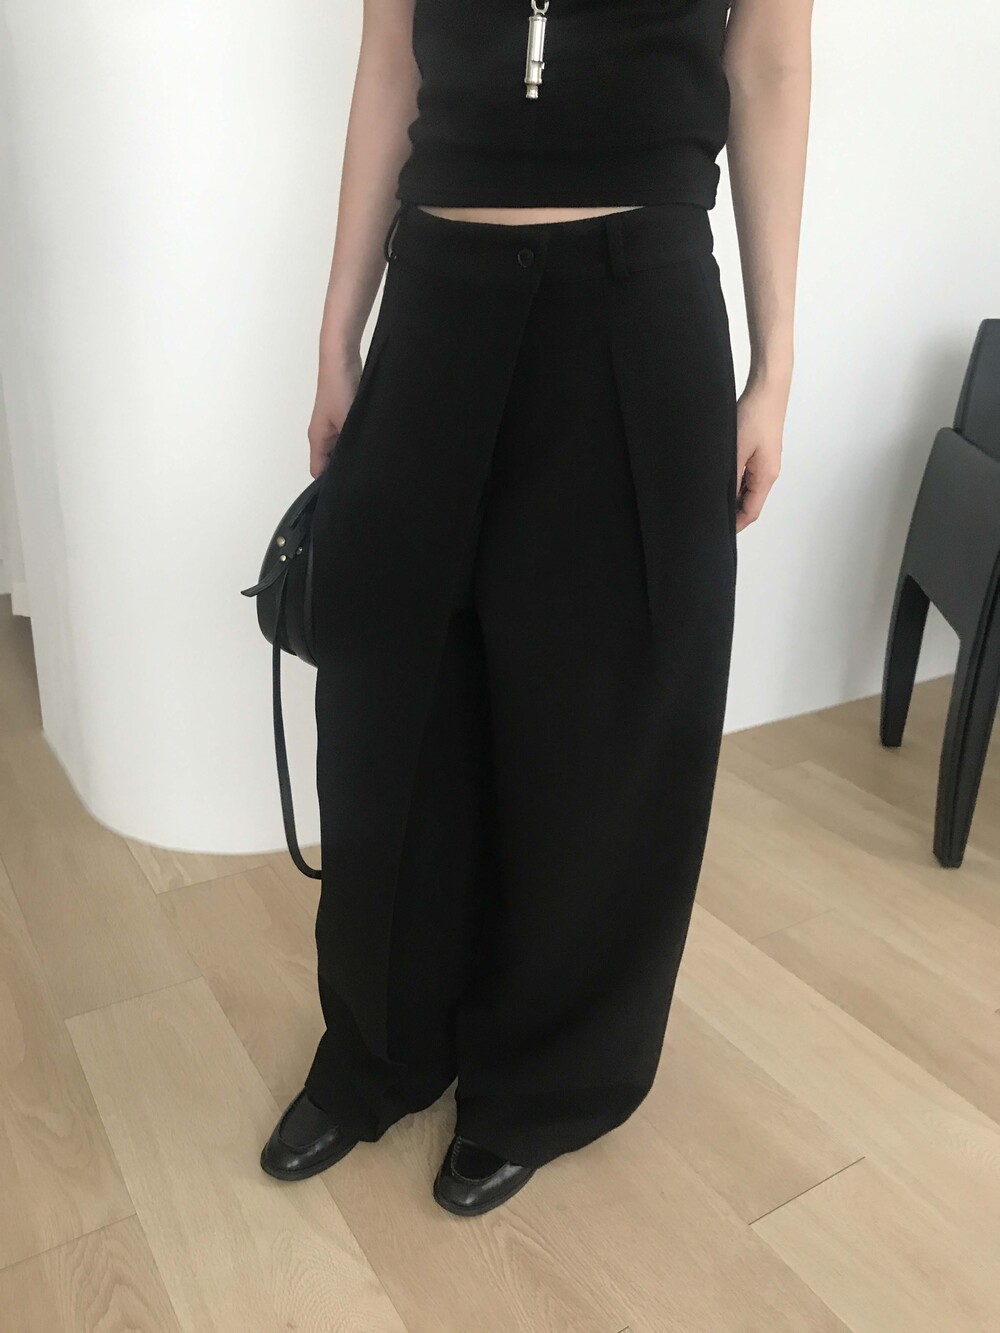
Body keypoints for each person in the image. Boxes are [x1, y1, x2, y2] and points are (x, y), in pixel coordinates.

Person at [261, 0, 812, 1217]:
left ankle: (547, 1078)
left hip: (638, 298)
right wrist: (338, 336)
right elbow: (390, 59)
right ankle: (380, 1048)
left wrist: (773, 366)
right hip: (435, 288)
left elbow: (769, 64)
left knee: (601, 720)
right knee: (388, 708)